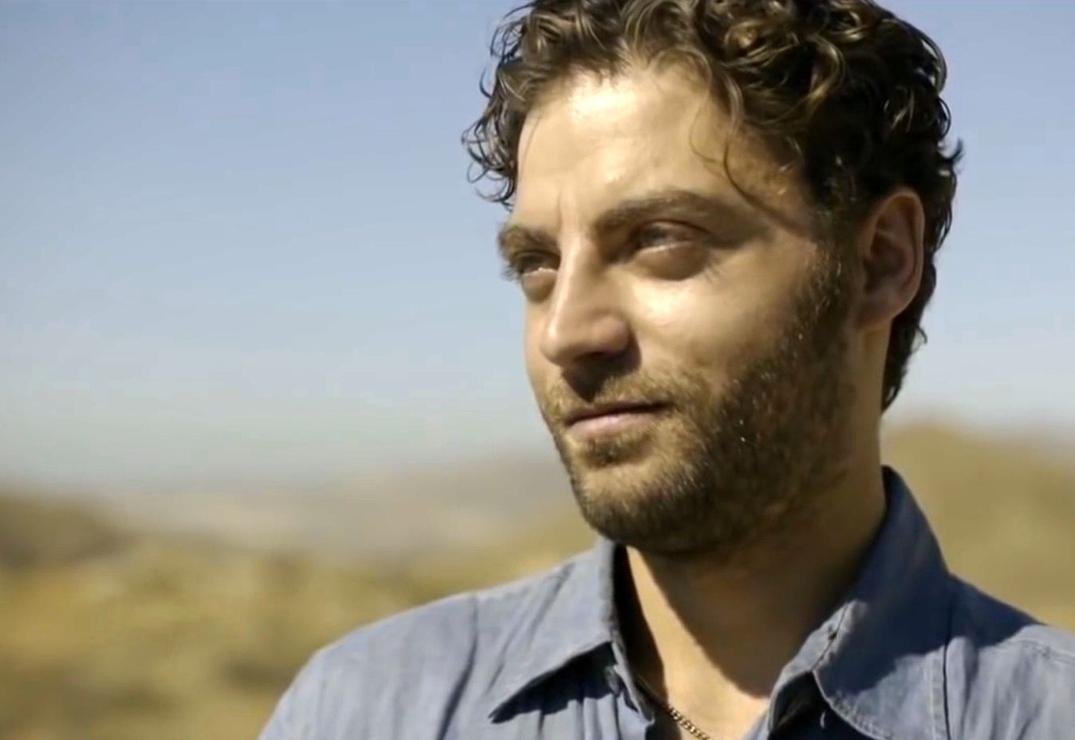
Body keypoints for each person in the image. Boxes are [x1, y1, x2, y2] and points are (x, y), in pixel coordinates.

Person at [260, 1, 1075, 737]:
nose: (567, 331)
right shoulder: (367, 711)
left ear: (879, 263)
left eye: (658, 240)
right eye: (538, 265)